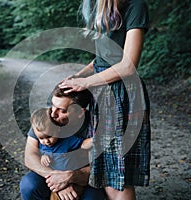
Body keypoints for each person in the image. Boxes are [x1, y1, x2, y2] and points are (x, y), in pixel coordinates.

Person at [59, 0, 151, 199]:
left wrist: (86, 83)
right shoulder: (99, 8)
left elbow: (128, 66)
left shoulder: (135, 6)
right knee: (108, 172)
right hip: (100, 93)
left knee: (120, 176)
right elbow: (101, 59)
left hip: (122, 94)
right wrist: (79, 76)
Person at [20, 85, 105, 200]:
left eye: (62, 110)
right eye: (53, 106)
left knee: (94, 197)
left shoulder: (96, 124)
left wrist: (71, 177)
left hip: (84, 177)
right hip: (51, 173)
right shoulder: (46, 120)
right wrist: (56, 179)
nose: (53, 114)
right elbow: (30, 157)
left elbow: (103, 166)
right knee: (29, 185)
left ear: (80, 112)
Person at [30, 107, 93, 199]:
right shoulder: (42, 145)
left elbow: (83, 144)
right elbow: (34, 158)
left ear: (58, 129)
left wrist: (95, 140)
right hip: (54, 182)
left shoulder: (67, 140)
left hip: (72, 179)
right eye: (41, 138)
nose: (46, 141)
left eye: (49, 136)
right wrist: (42, 157)